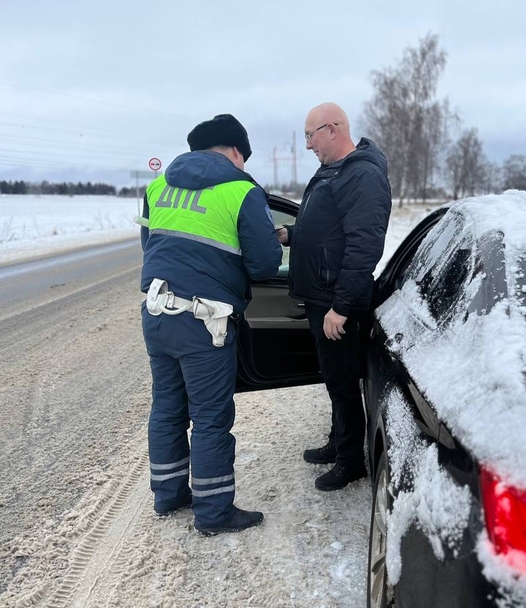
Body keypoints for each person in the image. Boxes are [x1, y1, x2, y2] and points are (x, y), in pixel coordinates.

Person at [139, 114, 282, 535]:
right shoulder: (241, 190)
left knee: (167, 407)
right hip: (204, 322)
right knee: (210, 417)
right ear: (237, 151)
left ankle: (168, 495)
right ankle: (214, 513)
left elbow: (151, 248)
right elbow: (263, 264)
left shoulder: (158, 186)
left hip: (156, 312)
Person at [275, 102, 391, 491]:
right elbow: (329, 229)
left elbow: (364, 246)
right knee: (333, 377)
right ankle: (338, 441)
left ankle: (350, 461)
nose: (308, 145)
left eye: (310, 135)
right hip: (323, 295)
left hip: (335, 299)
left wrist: (340, 306)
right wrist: (293, 235)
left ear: (333, 128)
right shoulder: (334, 171)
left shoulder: (362, 176)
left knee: (341, 379)